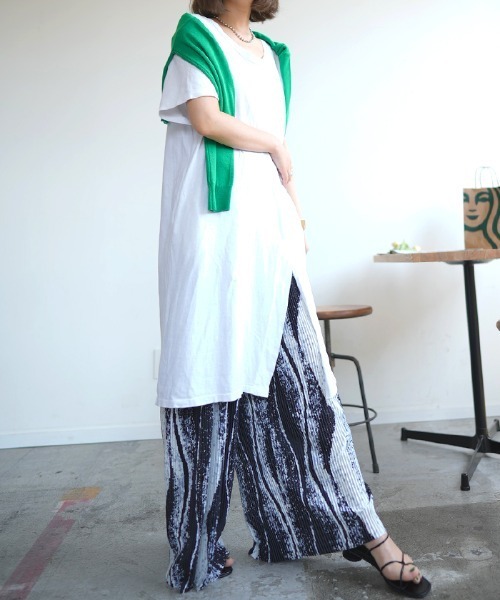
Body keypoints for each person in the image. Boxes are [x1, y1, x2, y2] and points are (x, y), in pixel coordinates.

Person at [157, 0, 432, 596]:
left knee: (305, 391)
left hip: (268, 236)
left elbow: (276, 161)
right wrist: (277, 147)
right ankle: (200, 545)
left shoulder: (273, 56)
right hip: (213, 238)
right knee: (208, 384)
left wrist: (297, 216)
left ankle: (362, 530)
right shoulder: (197, 36)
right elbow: (206, 118)